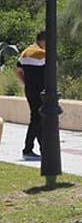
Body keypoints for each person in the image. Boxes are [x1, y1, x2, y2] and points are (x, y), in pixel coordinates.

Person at [13, 32, 47, 160]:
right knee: (37, 119)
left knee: (37, 118)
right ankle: (28, 149)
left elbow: (16, 70)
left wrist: (26, 83)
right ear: (43, 41)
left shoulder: (25, 52)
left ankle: (41, 148)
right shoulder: (42, 54)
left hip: (30, 90)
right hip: (41, 92)